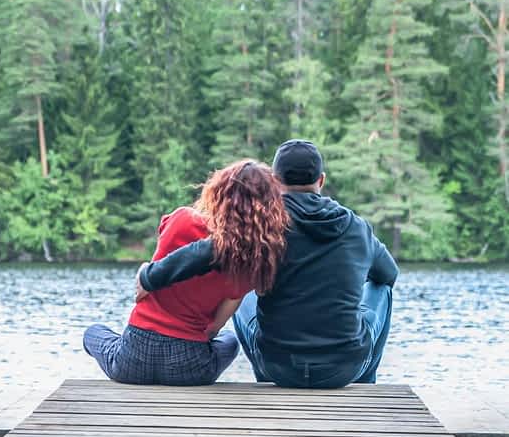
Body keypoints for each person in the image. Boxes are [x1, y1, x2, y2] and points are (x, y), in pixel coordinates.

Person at [135, 140, 398, 389]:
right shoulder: (356, 227)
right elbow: (389, 274)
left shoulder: (264, 227)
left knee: (242, 292)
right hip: (343, 369)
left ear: (273, 180)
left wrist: (149, 278)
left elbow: (199, 253)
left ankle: (262, 379)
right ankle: (366, 381)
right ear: (321, 180)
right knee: (381, 288)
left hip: (277, 367)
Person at [84, 160, 289, 385]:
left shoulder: (181, 219)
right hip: (189, 369)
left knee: (93, 333)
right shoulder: (247, 266)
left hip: (132, 359)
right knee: (230, 341)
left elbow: (153, 272)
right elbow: (213, 329)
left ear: (217, 192)